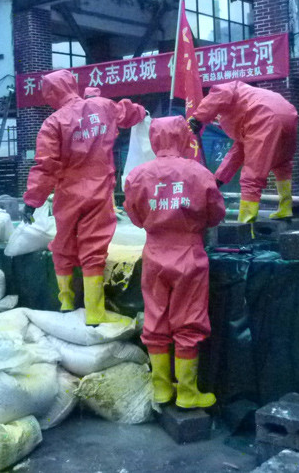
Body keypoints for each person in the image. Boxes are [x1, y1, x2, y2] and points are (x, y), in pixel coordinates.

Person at [21, 70, 146, 325]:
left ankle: (66, 301)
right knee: (94, 250)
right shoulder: (102, 106)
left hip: (68, 192)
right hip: (99, 190)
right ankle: (95, 313)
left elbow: (46, 166)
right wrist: (142, 113)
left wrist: (33, 200)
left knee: (64, 244)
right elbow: (128, 112)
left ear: (52, 94)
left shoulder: (53, 123)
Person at [124, 116, 225, 409]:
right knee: (188, 321)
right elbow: (216, 213)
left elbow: (134, 216)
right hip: (189, 255)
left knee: (155, 319)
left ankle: (161, 390)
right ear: (184, 137)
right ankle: (188, 393)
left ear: (153, 139)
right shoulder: (199, 173)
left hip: (154, 254)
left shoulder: (137, 175)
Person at [188, 81, 298, 222]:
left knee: (252, 175)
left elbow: (220, 93)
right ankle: (285, 208)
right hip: (288, 113)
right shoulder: (247, 99)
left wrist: (198, 117)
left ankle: (246, 221)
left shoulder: (226, 90)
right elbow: (238, 151)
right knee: (282, 164)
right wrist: (218, 179)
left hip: (264, 115)